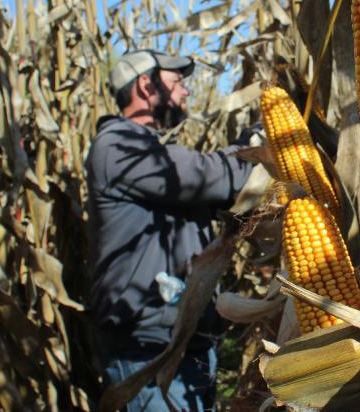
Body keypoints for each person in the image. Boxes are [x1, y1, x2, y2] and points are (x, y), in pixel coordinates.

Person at [85, 49, 256, 411]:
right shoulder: (118, 146)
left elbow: (222, 197)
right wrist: (254, 145)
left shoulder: (146, 152)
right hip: (149, 349)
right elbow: (207, 177)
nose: (185, 92)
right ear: (146, 86)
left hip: (185, 341)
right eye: (177, 82)